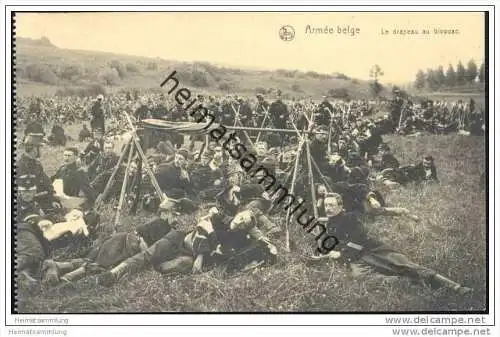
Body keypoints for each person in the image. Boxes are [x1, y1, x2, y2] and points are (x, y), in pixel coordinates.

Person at [311, 193, 472, 295]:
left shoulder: (351, 217)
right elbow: (336, 244)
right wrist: (324, 256)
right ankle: (410, 284)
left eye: (332, 205)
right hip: (356, 259)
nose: (328, 208)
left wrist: (341, 254)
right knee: (361, 278)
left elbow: (358, 239)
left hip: (372, 251)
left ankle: (455, 287)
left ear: (340, 206)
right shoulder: (331, 224)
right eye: (326, 205)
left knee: (406, 265)